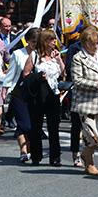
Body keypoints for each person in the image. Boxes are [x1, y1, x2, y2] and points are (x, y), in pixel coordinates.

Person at [71, 27, 98, 175]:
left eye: (97, 43)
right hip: (87, 103)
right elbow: (77, 81)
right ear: (85, 43)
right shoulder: (78, 58)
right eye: (92, 44)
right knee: (92, 136)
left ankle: (86, 155)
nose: (96, 46)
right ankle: (89, 161)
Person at [24, 29, 65, 167]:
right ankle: (36, 156)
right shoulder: (34, 56)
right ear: (45, 41)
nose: (54, 42)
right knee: (36, 127)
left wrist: (59, 59)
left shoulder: (55, 55)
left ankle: (55, 156)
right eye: (52, 39)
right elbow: (26, 74)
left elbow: (63, 73)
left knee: (54, 127)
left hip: (53, 95)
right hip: (38, 95)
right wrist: (38, 76)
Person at [1, 28, 39, 162]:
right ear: (27, 40)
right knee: (24, 123)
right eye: (33, 41)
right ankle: (23, 151)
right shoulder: (17, 54)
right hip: (19, 92)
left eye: (37, 42)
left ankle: (29, 148)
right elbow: (11, 72)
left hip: (35, 94)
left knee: (32, 124)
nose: (35, 44)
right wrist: (5, 88)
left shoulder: (40, 54)